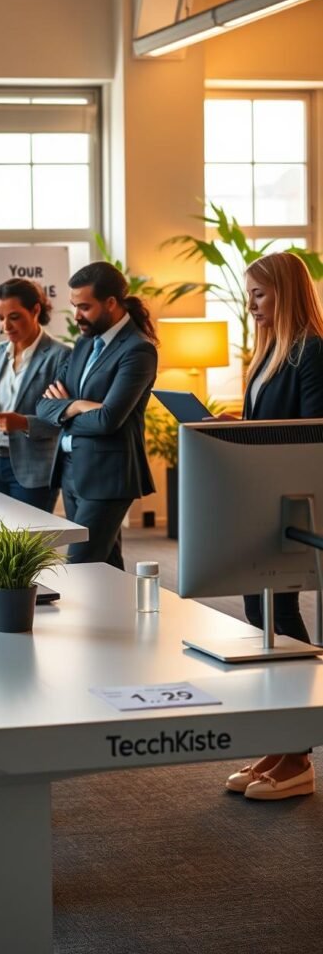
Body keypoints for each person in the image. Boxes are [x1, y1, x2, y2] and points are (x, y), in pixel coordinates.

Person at [222, 250, 323, 800]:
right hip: (259, 498)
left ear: (285, 292)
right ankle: (283, 743)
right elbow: (269, 423)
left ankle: (300, 755)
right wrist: (236, 426)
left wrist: (252, 434)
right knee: (258, 615)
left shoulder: (313, 351)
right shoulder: (268, 352)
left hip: (290, 505)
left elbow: (311, 433)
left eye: (259, 294)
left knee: (280, 617)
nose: (251, 305)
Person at [36, 261, 158, 568]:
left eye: (85, 307)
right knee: (106, 566)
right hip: (72, 470)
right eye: (74, 306)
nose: (76, 315)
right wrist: (78, 405)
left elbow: (107, 421)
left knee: (80, 567)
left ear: (111, 303)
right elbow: (43, 406)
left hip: (107, 476)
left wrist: (65, 409)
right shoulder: (84, 343)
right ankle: (123, 603)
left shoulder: (138, 350)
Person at [0, 278, 70, 513]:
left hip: (33, 470)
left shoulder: (60, 356)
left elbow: (65, 419)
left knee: (28, 535)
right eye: (1, 317)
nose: (6, 326)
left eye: (14, 317)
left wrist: (23, 423)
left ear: (35, 310)